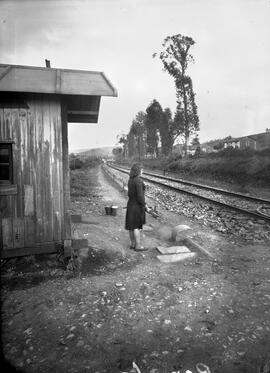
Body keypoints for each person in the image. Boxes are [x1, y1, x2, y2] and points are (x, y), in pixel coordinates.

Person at [125, 163, 148, 251]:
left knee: (131, 226)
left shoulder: (130, 179)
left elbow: (130, 193)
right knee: (136, 227)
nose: (143, 171)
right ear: (138, 171)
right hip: (136, 206)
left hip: (130, 204)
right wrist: (145, 205)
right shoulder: (138, 181)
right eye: (142, 170)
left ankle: (133, 244)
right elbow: (140, 197)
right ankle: (138, 246)